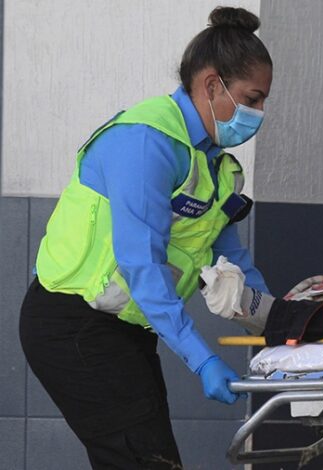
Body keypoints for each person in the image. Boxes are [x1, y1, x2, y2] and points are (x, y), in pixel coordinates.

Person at [18, 7, 273, 469]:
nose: (258, 114)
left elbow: (236, 260)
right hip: (71, 322)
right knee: (143, 459)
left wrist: (280, 329)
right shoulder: (145, 141)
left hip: (125, 331)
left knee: (146, 457)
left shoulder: (216, 167)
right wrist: (201, 359)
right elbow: (142, 265)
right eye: (251, 99)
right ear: (212, 86)